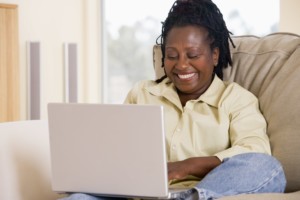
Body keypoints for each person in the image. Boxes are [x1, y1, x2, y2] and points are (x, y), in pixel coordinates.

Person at [62, 0, 286, 199]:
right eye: (171, 56)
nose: (181, 65)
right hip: (137, 194)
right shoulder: (142, 94)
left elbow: (255, 149)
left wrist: (186, 167)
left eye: (193, 55)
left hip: (204, 191)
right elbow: (117, 151)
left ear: (214, 55)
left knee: (266, 167)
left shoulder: (236, 99)